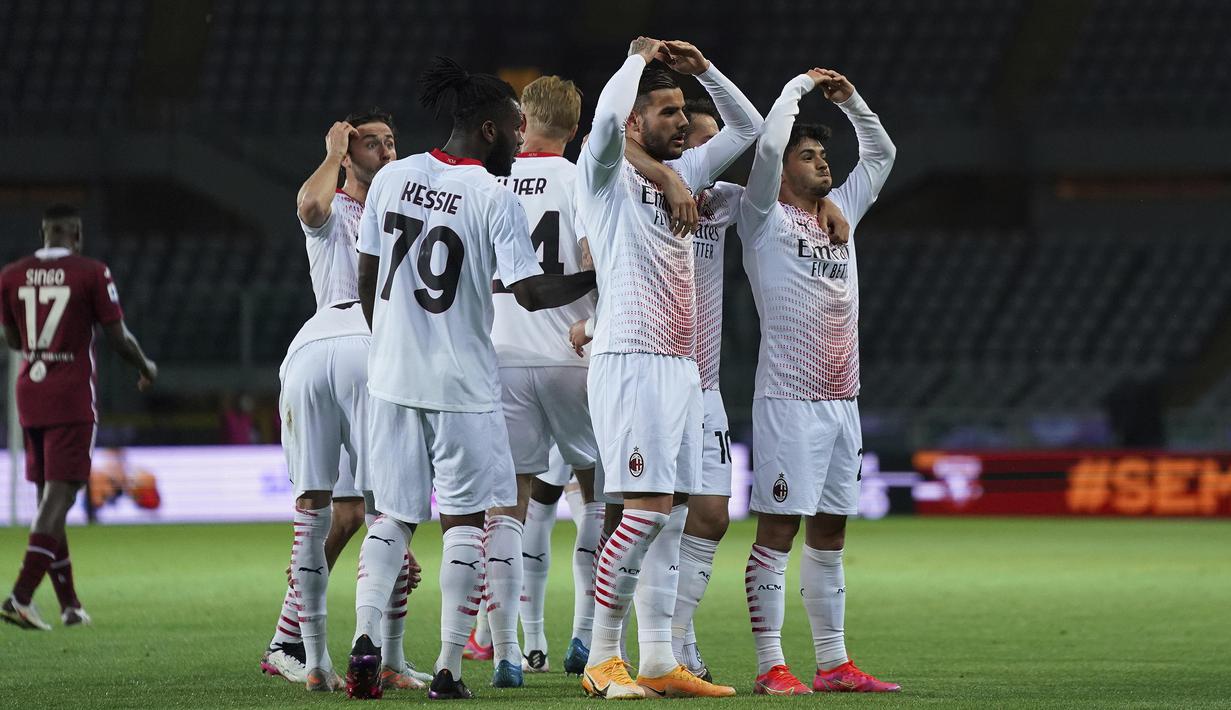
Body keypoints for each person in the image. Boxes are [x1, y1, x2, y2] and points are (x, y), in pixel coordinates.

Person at [345, 56, 597, 700]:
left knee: (391, 519)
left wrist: (393, 341)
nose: (519, 139)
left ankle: (364, 641)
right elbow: (531, 293)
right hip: (463, 386)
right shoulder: (492, 195)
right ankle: (450, 668)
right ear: (489, 129)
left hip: (391, 378)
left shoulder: (392, 177)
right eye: (513, 128)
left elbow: (367, 276)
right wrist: (602, 276)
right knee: (464, 523)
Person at [618, 99, 849, 684]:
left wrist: (825, 205)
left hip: (703, 381)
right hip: (644, 366)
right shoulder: (634, 188)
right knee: (643, 514)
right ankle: (609, 644)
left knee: (711, 516)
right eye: (698, 142)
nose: (709, 154)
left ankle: (676, 640)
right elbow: (610, 146)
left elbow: (777, 182)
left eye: (713, 144)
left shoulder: (724, 202)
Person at [576, 36, 761, 700]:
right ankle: (603, 656)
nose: (682, 121)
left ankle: (657, 659)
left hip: (681, 364)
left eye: (684, 110)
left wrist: (704, 69)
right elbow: (602, 124)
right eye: (667, 111)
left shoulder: (684, 168)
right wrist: (634, 61)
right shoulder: (604, 172)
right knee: (646, 511)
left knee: (672, 516)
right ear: (635, 120)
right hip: (633, 359)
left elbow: (748, 127)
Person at [739, 68, 899, 694]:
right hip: (789, 398)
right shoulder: (762, 217)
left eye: (822, 154)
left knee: (830, 532)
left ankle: (833, 665)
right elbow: (768, 147)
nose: (822, 162)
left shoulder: (842, 211)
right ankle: (769, 666)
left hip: (842, 399)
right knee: (778, 531)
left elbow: (881, 153)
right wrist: (798, 87)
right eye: (807, 155)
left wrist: (851, 100)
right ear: (782, 170)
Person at [261, 110, 431, 692]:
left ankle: (306, 656)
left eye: (392, 143)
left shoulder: (401, 213)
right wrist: (333, 151)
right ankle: (380, 655)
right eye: (373, 143)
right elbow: (309, 206)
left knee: (333, 513)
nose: (387, 152)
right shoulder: (335, 208)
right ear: (349, 153)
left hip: (312, 355)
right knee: (391, 512)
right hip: (364, 350)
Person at [484, 73, 603, 678]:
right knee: (598, 493)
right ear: (576, 130)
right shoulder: (582, 179)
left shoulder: (490, 183)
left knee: (509, 503)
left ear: (522, 123)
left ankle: (508, 650)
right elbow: (596, 260)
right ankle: (587, 637)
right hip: (572, 356)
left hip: (501, 355)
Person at [0, 204, 157, 630]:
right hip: (69, 396)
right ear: (75, 234)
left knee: (47, 500)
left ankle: (69, 604)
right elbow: (117, 336)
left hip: (29, 393)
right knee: (60, 497)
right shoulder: (91, 272)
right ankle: (21, 596)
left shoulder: (11, 274)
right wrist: (145, 365)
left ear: (44, 232)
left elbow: (12, 338)